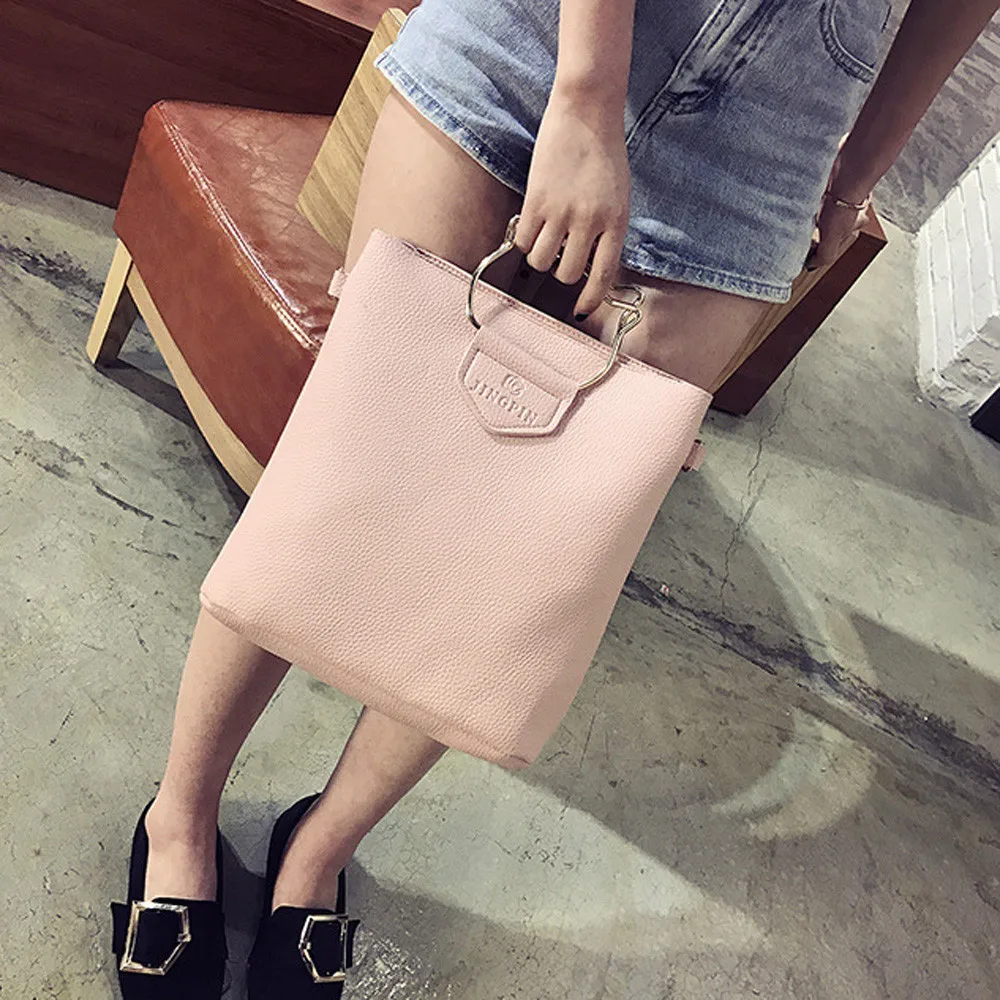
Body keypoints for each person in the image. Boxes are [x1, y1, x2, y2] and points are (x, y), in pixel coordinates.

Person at [108, 0, 1000, 996]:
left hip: (765, 147)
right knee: (339, 472)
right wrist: (584, 97)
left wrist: (854, 177)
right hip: (530, 43)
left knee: (522, 563)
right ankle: (179, 819)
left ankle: (316, 853)